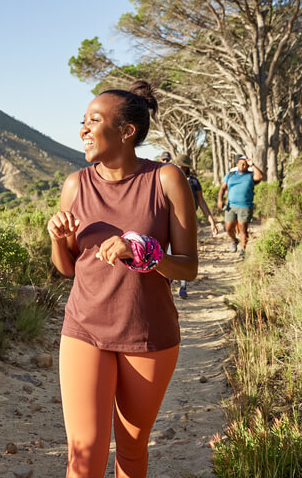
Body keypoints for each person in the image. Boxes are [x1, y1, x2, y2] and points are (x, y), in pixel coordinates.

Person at [47, 80, 198, 478]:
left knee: (131, 450)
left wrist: (144, 252)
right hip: (84, 329)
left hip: (148, 333)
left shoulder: (166, 180)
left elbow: (188, 267)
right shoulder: (75, 185)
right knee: (84, 454)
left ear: (126, 132)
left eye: (93, 121)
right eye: (83, 121)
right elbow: (66, 268)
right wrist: (59, 241)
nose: (83, 129)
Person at [157, 151, 218, 299]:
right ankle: (169, 283)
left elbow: (201, 202)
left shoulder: (193, 181)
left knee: (184, 255)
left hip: (187, 220)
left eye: (180, 165)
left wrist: (211, 220)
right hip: (168, 220)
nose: (177, 166)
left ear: (185, 167)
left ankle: (183, 287)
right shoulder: (164, 179)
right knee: (169, 253)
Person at [217, 154, 263, 257]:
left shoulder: (250, 175)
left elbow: (260, 176)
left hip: (245, 206)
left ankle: (243, 250)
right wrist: (220, 200)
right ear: (237, 163)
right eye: (241, 163)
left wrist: (253, 165)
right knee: (228, 228)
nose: (243, 165)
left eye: (245, 163)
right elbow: (222, 188)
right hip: (231, 205)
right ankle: (234, 240)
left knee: (243, 228)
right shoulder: (231, 174)